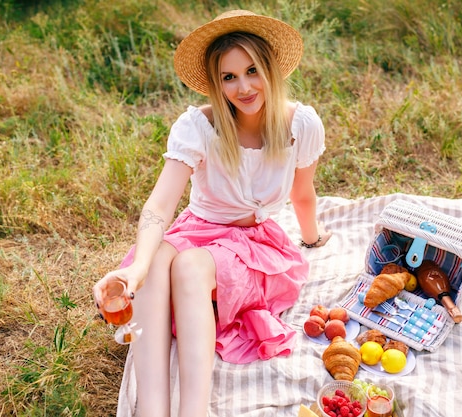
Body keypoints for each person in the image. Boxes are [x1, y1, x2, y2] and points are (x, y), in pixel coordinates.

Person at [93, 9, 332, 417]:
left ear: (271, 68)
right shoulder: (198, 126)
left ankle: (194, 411)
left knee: (188, 267)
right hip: (199, 230)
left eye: (252, 70)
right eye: (229, 77)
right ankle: (152, 410)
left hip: (252, 245)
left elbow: (302, 192)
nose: (244, 87)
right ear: (216, 84)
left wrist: (311, 237)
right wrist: (139, 266)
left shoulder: (301, 124)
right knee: (154, 267)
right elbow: (161, 204)